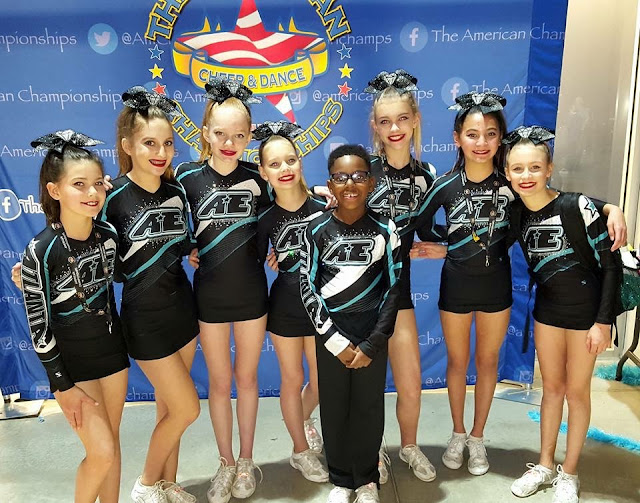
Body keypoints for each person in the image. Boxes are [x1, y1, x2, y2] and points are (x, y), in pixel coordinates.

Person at [412, 92, 627, 477]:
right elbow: (421, 224)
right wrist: (451, 247)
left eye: (491, 134)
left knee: (488, 361)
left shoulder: (513, 184)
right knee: (458, 362)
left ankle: (478, 437)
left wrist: (612, 207)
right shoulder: (444, 185)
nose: (482, 142)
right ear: (457, 138)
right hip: (455, 287)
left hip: (496, 288)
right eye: (472, 134)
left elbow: (563, 202)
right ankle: (458, 433)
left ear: (501, 139)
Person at [505, 126, 619, 503]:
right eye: (517, 169)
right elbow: (482, 241)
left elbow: (610, 266)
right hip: (547, 313)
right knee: (551, 389)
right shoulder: (516, 214)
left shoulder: (576, 206)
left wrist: (603, 322)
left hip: (586, 316)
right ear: (507, 173)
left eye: (535, 167)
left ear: (549, 168)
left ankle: (569, 473)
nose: (526, 176)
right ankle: (544, 465)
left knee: (576, 392)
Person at [20, 130, 129, 503]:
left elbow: (118, 281)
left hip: (112, 355)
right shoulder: (40, 250)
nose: (92, 192)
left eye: (97, 183)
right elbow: (39, 327)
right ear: (54, 190)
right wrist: (61, 385)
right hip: (72, 366)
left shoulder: (108, 235)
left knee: (112, 444)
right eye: (79, 184)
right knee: (101, 452)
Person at [176, 77, 271, 503]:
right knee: (219, 382)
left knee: (246, 379)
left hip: (251, 294)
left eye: (239, 135)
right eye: (220, 134)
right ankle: (226, 461)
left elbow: (287, 216)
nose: (229, 143)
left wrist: (281, 250)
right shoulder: (187, 176)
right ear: (205, 133)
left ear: (250, 136)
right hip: (210, 295)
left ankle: (247, 460)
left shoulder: (259, 177)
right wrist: (190, 247)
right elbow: (169, 221)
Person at [107, 87, 200, 503]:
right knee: (187, 408)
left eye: (167, 143)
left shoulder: (176, 193)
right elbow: (82, 244)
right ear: (127, 145)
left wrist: (194, 251)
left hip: (183, 309)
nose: (160, 152)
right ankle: (145, 485)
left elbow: (182, 245)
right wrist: (34, 270)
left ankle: (168, 484)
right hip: (143, 317)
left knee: (169, 409)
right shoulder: (110, 198)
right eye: (149, 143)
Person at [299, 144, 402, 503]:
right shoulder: (315, 229)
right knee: (334, 406)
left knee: (368, 407)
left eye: (359, 176)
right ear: (330, 184)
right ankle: (342, 479)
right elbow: (307, 286)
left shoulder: (385, 228)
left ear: (371, 182)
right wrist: (334, 341)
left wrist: (374, 342)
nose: (350, 184)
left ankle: (367, 479)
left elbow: (394, 289)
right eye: (340, 178)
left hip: (372, 334)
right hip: (332, 335)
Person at [363, 69, 446, 483]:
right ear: (375, 127)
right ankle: (373, 450)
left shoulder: (427, 174)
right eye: (385, 121)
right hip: (360, 296)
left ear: (415, 120)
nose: (394, 128)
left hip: (400, 294)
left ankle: (409, 446)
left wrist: (445, 246)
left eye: (401, 119)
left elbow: (432, 230)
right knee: (368, 385)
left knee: (410, 384)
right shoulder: (362, 171)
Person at [254, 120, 329, 483]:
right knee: (292, 377)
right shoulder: (265, 218)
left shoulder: (324, 206)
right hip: (284, 305)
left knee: (322, 378)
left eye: (290, 160)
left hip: (321, 306)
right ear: (263, 172)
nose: (284, 168)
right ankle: (300, 450)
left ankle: (304, 418)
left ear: (300, 161)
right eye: (274, 164)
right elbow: (255, 259)